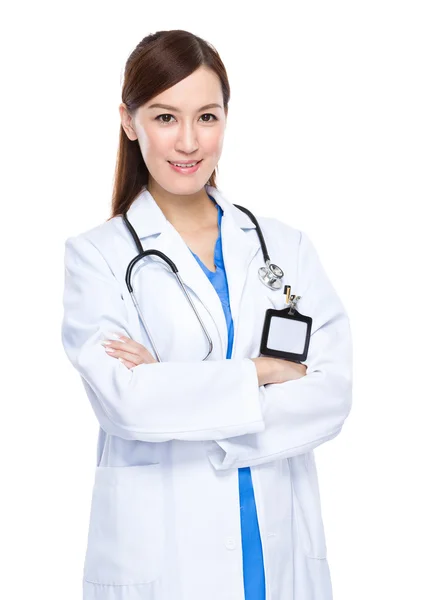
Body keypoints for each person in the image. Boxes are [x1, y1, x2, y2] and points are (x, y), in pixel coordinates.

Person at [61, 29, 353, 600]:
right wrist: (260, 374)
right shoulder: (97, 257)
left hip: (277, 553)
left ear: (226, 119)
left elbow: (333, 393)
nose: (189, 141)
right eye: (165, 117)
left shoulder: (283, 246)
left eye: (208, 117)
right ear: (129, 121)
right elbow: (128, 404)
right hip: (166, 561)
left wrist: (175, 389)